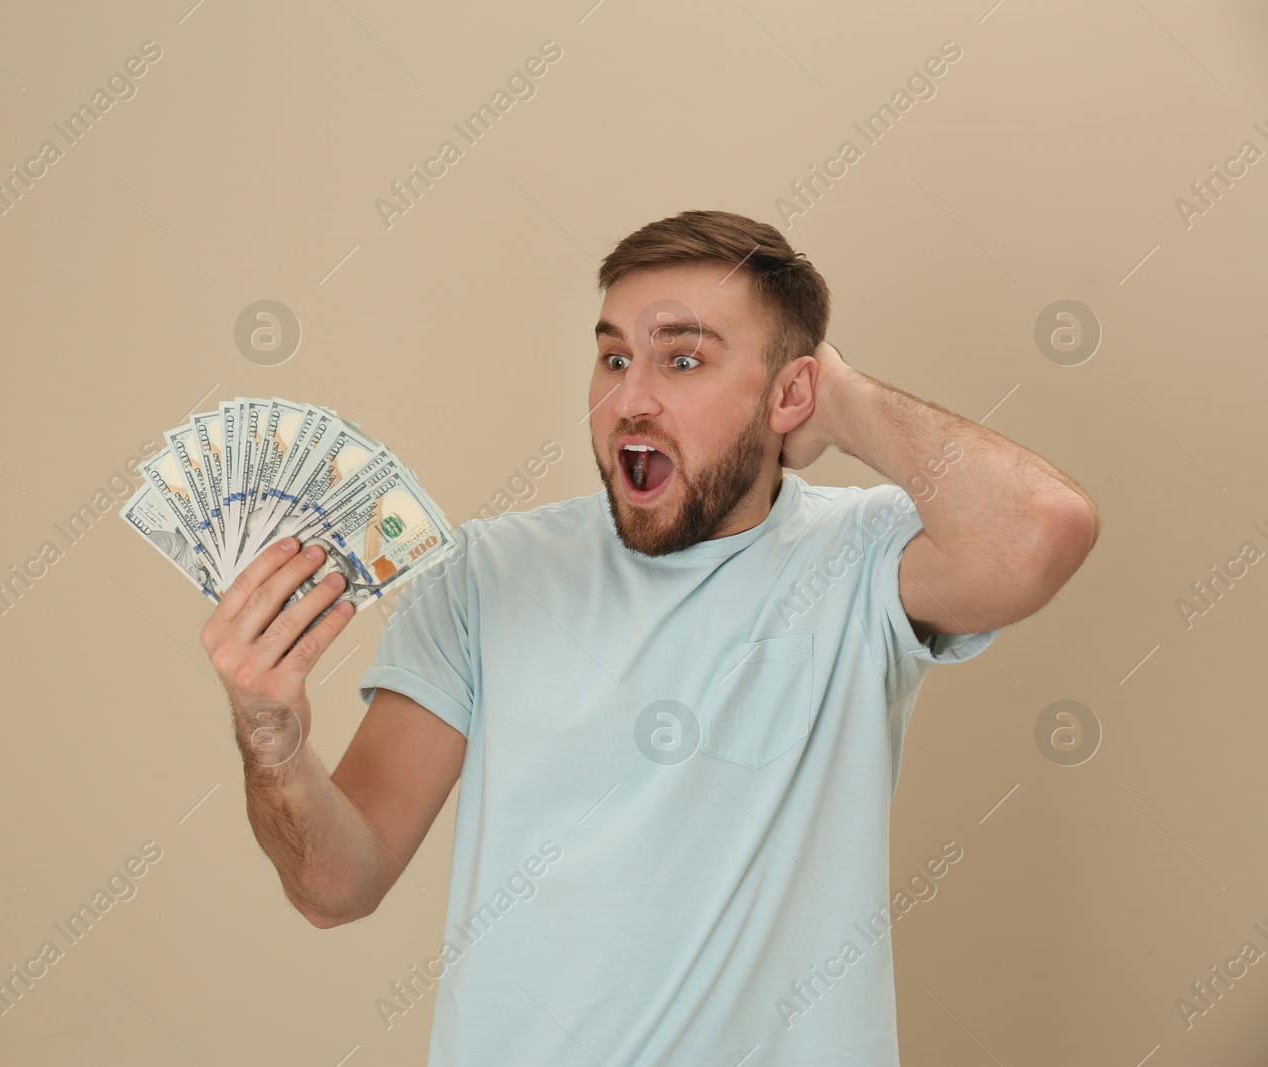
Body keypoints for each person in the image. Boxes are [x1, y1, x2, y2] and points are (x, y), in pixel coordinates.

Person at [200, 209, 1100, 1065]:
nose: (629, 399)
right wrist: (271, 736)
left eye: (682, 359)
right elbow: (335, 888)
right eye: (613, 356)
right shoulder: (488, 573)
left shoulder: (860, 560)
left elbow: (1042, 529)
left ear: (791, 390)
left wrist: (847, 400)